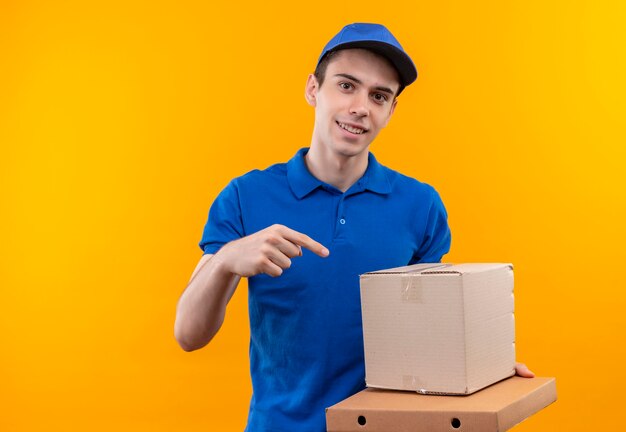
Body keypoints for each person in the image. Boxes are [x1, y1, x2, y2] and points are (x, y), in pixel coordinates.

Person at [175, 23, 534, 432]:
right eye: (347, 86)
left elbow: (430, 332)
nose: (361, 106)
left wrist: (486, 373)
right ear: (313, 89)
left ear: (391, 110)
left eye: (379, 96)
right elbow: (189, 335)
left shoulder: (420, 205)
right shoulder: (245, 196)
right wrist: (224, 260)